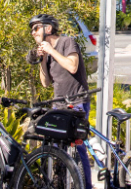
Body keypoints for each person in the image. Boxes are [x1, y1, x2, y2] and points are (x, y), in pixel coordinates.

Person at [27, 14, 92, 188]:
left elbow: (72, 66)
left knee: (78, 148)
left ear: (48, 29)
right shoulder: (47, 53)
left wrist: (50, 51)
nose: (32, 33)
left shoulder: (67, 42)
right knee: (57, 148)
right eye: (31, 30)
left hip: (77, 101)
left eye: (36, 28)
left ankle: (86, 185)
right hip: (59, 104)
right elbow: (45, 82)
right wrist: (42, 59)